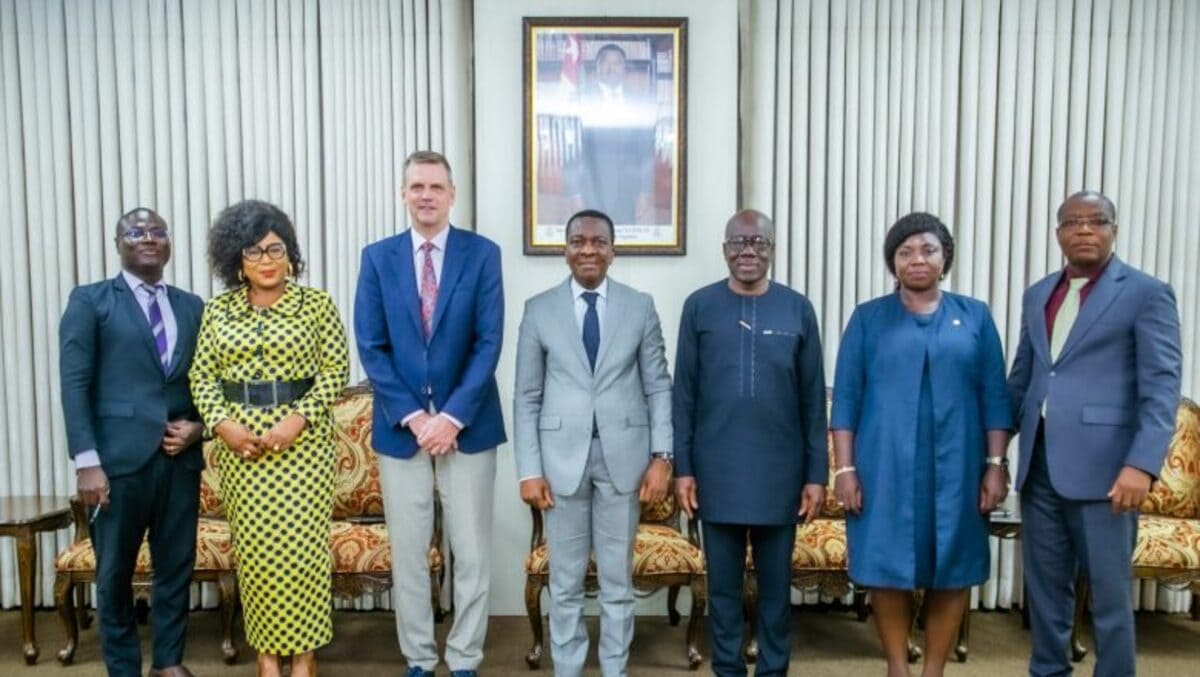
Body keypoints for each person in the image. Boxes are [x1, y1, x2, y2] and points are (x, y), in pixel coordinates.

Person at [829, 213, 1012, 677]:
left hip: (960, 468)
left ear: (945, 258)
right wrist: (845, 470)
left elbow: (995, 395)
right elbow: (846, 397)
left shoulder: (975, 316)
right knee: (886, 564)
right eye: (905, 251)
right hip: (884, 466)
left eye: (928, 250)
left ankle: (933, 670)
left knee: (953, 566)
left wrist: (996, 464)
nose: (917, 259)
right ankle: (897, 666)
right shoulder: (868, 318)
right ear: (892, 262)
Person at [1008, 191, 1182, 677]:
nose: (1084, 229)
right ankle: (1048, 670)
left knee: (1108, 595)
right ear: (1058, 234)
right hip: (1040, 467)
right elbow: (1023, 378)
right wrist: (992, 452)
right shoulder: (1038, 294)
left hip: (1109, 473)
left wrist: (1141, 465)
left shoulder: (1146, 293)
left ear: (1114, 230)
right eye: (1072, 222)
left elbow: (1162, 387)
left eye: (1096, 221)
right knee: (1044, 591)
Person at [354, 150, 506, 677]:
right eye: (416, 186)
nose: (426, 195)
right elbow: (372, 347)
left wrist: (451, 417)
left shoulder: (482, 254)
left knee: (472, 553)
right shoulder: (377, 258)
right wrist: (417, 418)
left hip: (468, 427)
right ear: (403, 194)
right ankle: (419, 657)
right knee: (410, 555)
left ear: (452, 194)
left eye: (436, 187)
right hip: (403, 432)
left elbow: (488, 343)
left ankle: (464, 659)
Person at [189, 200, 349, 677]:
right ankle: (265, 656)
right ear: (236, 259)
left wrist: (297, 420)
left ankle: (304, 656)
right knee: (257, 556)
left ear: (290, 255)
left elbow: (335, 370)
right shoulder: (218, 311)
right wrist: (224, 426)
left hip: (303, 449)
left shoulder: (316, 305)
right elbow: (201, 377)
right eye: (254, 251)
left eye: (276, 249)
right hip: (241, 451)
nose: (266, 260)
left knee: (302, 554)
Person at [513, 209, 672, 677]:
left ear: (612, 251)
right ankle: (567, 668)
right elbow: (526, 395)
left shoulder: (639, 306)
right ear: (564, 250)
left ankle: (614, 669)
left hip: (626, 461)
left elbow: (658, 386)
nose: (588, 249)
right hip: (560, 462)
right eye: (578, 241)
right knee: (564, 582)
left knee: (617, 581)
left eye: (599, 241)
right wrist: (529, 470)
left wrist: (662, 456)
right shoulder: (538, 309)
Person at [673, 209, 827, 677]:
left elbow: (812, 400)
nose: (748, 251)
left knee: (776, 591)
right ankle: (727, 668)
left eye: (758, 242)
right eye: (738, 242)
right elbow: (684, 395)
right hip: (715, 472)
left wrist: (815, 476)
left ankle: (773, 670)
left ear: (771, 249)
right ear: (724, 249)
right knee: (722, 589)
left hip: (780, 475)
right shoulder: (699, 307)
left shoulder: (797, 309)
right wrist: (684, 468)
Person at [59, 207, 205, 677]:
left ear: (169, 243)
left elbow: (208, 381)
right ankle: (123, 669)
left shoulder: (192, 306)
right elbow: (74, 382)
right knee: (114, 573)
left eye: (157, 231)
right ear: (117, 243)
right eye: (136, 231)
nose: (148, 238)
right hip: (116, 463)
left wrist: (199, 427)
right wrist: (87, 460)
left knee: (176, 566)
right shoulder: (91, 301)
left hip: (179, 459)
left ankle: (168, 662)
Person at [564, 43, 656, 226]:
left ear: (624, 69)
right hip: (590, 193)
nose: (611, 67)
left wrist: (644, 192)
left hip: (628, 195)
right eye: (605, 62)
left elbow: (646, 151)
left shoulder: (638, 101)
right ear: (597, 68)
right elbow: (570, 151)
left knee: (625, 242)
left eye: (617, 62)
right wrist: (575, 194)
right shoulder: (581, 100)